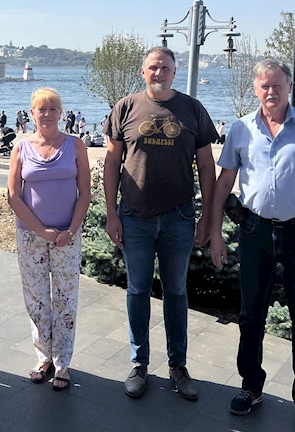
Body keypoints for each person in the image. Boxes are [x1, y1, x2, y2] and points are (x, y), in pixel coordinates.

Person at [197, 58, 295, 432]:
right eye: (265, 86)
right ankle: (251, 387)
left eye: (278, 85)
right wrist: (215, 233)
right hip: (254, 231)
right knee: (250, 316)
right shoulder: (241, 129)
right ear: (256, 89)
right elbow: (224, 183)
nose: (271, 91)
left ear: (289, 86)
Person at [103, 47, 218, 401]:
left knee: (176, 292)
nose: (159, 73)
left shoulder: (192, 109)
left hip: (178, 218)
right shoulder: (125, 107)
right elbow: (111, 163)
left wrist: (207, 217)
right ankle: (139, 364)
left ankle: (178, 366)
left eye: (165, 67)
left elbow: (207, 166)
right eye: (153, 67)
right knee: (137, 291)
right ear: (143, 71)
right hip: (134, 217)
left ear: (174, 72)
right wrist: (111, 213)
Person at [8, 88, 90, 391]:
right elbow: (14, 196)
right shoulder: (21, 147)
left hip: (67, 236)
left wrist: (71, 230)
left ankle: (62, 362)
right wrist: (41, 230)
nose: (47, 114)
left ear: (60, 113)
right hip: (31, 236)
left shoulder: (75, 145)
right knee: (37, 299)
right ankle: (43, 357)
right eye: (41, 109)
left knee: (65, 299)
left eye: (53, 108)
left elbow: (85, 193)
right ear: (32, 113)